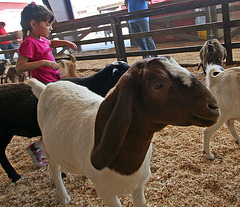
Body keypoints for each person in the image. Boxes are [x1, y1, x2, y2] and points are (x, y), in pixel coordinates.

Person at [16, 2, 77, 168]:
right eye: (48, 24)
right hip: (45, 86)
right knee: (56, 120)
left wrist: (65, 42)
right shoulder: (28, 43)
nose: (50, 28)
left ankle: (54, 145)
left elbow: (50, 43)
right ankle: (37, 148)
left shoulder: (41, 39)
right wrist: (44, 62)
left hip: (54, 82)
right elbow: (20, 66)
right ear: (34, 24)